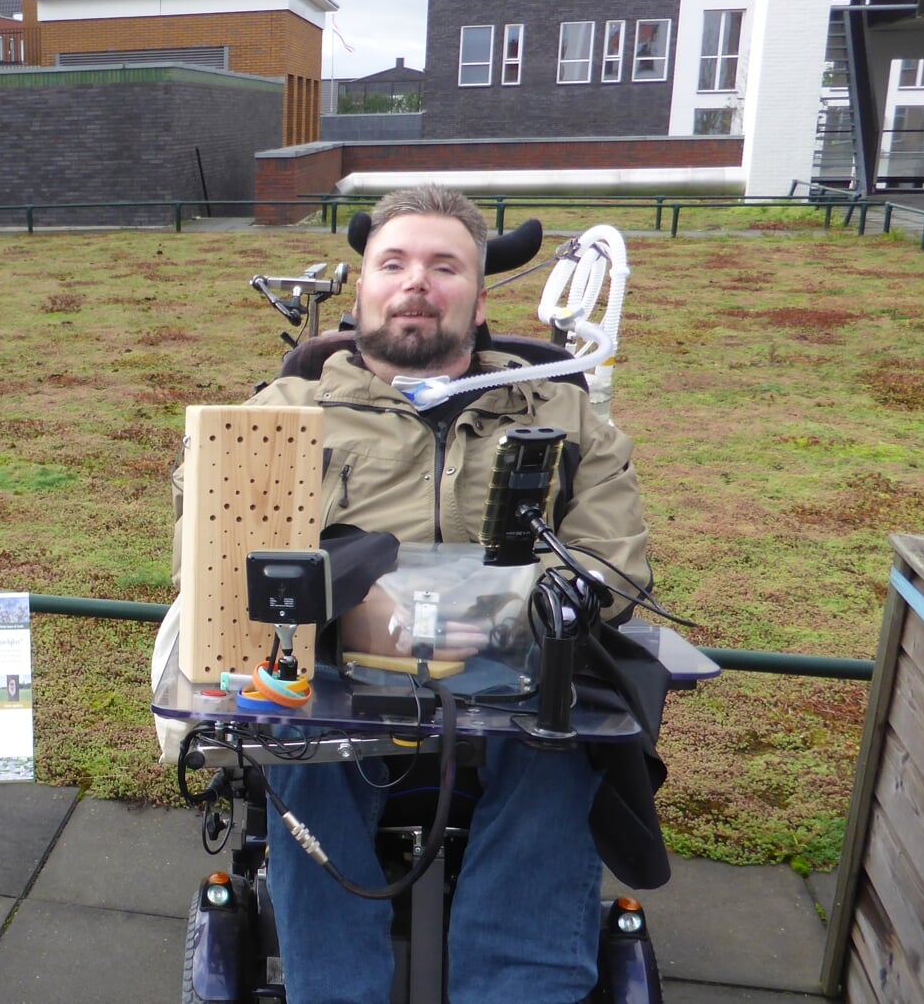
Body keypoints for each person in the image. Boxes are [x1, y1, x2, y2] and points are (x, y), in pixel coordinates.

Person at [189, 186, 661, 1003]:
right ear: (362, 288)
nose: (417, 282)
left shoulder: (563, 414)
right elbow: (220, 554)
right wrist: (350, 606)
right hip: (338, 683)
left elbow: (613, 563)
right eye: (394, 263)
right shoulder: (282, 413)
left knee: (560, 743)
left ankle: (518, 986)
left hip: (517, 684)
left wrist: (490, 615)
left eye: (445, 266)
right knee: (303, 749)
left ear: (479, 302)